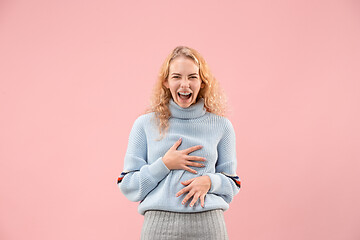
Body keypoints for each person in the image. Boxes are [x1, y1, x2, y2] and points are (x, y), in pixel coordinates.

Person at [116, 46, 241, 240]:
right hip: (159, 227)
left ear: (202, 82)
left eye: (192, 77)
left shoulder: (222, 126)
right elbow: (127, 183)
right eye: (176, 77)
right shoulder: (145, 124)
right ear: (165, 82)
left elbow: (234, 182)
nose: (185, 84)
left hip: (209, 226)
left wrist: (210, 181)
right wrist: (164, 164)